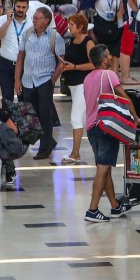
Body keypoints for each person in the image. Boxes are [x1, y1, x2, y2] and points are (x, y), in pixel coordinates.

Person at [82, 44, 140, 223]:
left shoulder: (87, 78)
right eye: (108, 55)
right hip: (106, 127)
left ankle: (115, 206)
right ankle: (92, 209)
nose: (110, 57)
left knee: (104, 167)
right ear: (103, 60)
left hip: (92, 126)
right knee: (103, 168)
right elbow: (123, 96)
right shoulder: (108, 74)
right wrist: (136, 117)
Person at [13, 5, 63, 161]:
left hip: (44, 80)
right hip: (28, 80)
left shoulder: (55, 37)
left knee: (45, 114)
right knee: (32, 114)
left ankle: (45, 148)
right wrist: (17, 79)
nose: (33, 20)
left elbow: (62, 62)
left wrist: (52, 81)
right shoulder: (27, 34)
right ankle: (50, 141)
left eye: (37, 18)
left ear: (46, 21)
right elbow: (21, 56)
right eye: (33, 17)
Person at [58, 11, 95, 165]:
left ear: (80, 27)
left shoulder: (88, 42)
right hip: (73, 84)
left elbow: (94, 64)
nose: (69, 27)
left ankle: (75, 153)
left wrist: (74, 67)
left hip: (83, 83)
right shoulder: (71, 41)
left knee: (76, 117)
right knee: (80, 117)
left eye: (71, 25)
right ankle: (76, 152)